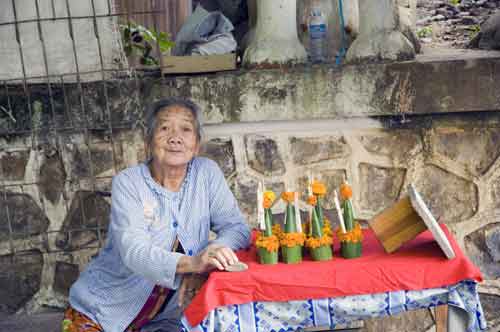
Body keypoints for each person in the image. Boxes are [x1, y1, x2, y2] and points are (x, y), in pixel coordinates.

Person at [62, 97, 251, 332]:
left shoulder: (207, 173)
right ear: (148, 141)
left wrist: (211, 257)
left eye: (185, 129)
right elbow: (134, 251)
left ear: (197, 143)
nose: (175, 137)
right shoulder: (129, 183)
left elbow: (237, 228)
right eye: (164, 128)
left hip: (165, 322)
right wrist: (191, 263)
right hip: (102, 312)